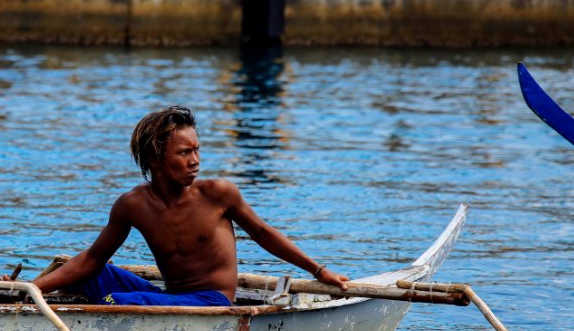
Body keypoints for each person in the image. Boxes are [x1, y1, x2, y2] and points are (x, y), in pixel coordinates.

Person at [30, 106, 350, 306]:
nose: (195, 161)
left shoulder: (218, 194)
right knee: (85, 274)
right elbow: (93, 258)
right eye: (184, 153)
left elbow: (264, 233)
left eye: (197, 150)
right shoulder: (132, 205)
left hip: (211, 301)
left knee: (121, 300)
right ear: (155, 159)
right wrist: (30, 287)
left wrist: (320, 271)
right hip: (173, 298)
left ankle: (103, 314)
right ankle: (34, 302)